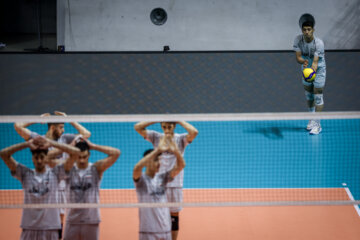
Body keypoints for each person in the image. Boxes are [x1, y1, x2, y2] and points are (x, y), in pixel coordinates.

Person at [14, 111, 91, 239]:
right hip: (44, 181)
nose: (63, 129)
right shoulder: (38, 138)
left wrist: (69, 118)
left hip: (62, 182)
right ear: (53, 127)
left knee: (60, 218)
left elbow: (86, 134)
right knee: (42, 214)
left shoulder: (65, 138)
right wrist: (37, 119)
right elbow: (18, 126)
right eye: (61, 127)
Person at [0, 136, 80, 240]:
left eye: (42, 157)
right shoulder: (25, 174)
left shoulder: (55, 173)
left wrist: (51, 143)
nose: (39, 161)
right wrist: (27, 144)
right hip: (29, 227)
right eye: (36, 157)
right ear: (32, 158)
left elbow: (76, 153)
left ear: (47, 157)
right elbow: (3, 154)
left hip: (51, 228)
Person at [134, 121, 198, 240]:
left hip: (175, 182)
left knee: (174, 216)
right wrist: (157, 119)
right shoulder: (156, 137)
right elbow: (137, 127)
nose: (167, 130)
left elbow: (194, 132)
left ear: (174, 126)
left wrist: (178, 120)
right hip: (158, 183)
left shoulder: (181, 139)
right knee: (157, 213)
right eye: (164, 127)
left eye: (169, 127)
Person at [63, 138, 120, 240]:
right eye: (79, 157)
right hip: (72, 220)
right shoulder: (67, 168)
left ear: (89, 155)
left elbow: (116, 153)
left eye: (84, 157)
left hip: (91, 220)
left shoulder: (96, 168)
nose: (82, 160)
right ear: (74, 155)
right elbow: (49, 160)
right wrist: (69, 148)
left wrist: (93, 146)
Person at [133, 136, 186, 240]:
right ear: (147, 161)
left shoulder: (162, 178)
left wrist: (176, 151)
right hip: (148, 231)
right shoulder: (141, 181)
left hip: (165, 230)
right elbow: (136, 168)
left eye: (160, 160)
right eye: (157, 160)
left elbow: (181, 165)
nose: (159, 164)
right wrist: (157, 150)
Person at [293, 13, 326, 135]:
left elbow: (315, 63)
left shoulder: (319, 43)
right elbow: (298, 58)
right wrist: (304, 61)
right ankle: (312, 119)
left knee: (318, 95)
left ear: (313, 30)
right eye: (304, 29)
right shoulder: (298, 40)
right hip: (306, 67)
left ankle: (318, 124)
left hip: (318, 70)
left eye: (309, 29)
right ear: (302, 30)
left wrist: (310, 69)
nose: (306, 32)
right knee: (309, 95)